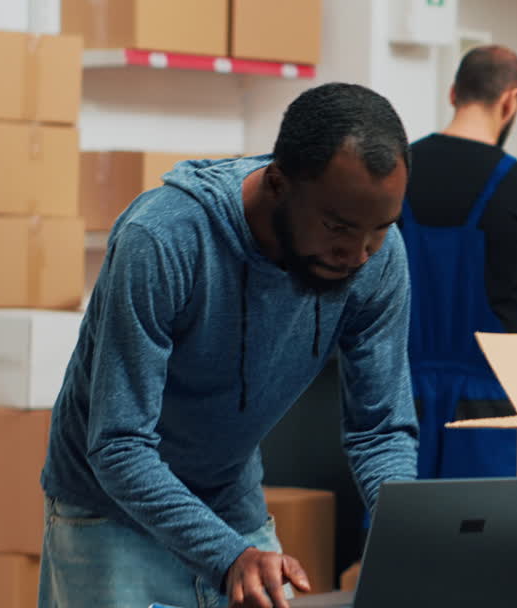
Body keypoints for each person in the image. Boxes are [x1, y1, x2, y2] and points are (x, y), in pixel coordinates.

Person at [38, 83, 419, 608]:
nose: (358, 254)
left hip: (231, 506)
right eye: (338, 227)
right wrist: (227, 555)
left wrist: (408, 537)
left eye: (380, 229)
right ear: (279, 183)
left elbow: (380, 429)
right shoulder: (164, 238)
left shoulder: (378, 255)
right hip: (108, 516)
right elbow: (119, 445)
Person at [400, 45, 517, 480]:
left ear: (452, 94)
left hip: (399, 399)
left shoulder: (393, 172)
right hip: (492, 405)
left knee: (398, 534)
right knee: (484, 536)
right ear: (510, 100)